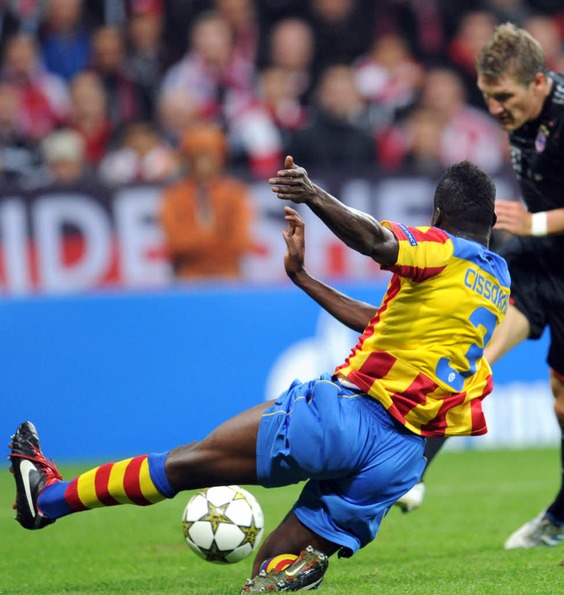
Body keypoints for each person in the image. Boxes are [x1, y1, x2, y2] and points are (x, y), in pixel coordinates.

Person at [9, 156, 510, 592]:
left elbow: (377, 240)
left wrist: (312, 194)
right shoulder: (496, 281)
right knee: (271, 566)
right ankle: (289, 569)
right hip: (399, 460)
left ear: (438, 217)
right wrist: (304, 279)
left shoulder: (440, 248)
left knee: (188, 463)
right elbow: (378, 323)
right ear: (491, 218)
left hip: (348, 418)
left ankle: (48, 500)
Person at [397, 23, 564, 546]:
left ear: (537, 82)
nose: (496, 110)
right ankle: (412, 473)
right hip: (544, 258)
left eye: (504, 98)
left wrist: (538, 223)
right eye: (487, 98)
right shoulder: (534, 107)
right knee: (474, 348)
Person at [158, 124, 253, 280]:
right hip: (189, 277)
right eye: (198, 155)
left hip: (229, 277)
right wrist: (216, 238)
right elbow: (174, 243)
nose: (204, 162)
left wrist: (198, 241)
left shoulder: (236, 193)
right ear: (188, 158)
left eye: (210, 155)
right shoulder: (173, 196)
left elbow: (241, 242)